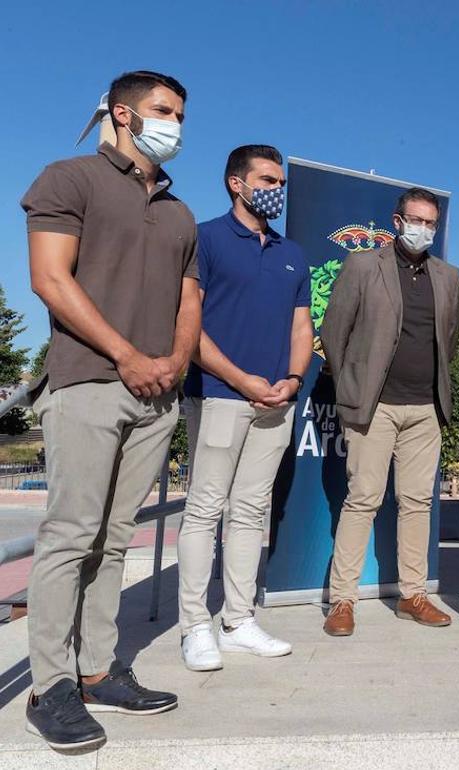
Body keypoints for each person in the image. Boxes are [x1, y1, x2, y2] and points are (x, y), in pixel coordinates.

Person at [22, 70, 198, 748]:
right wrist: (126, 353)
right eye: (162, 110)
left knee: (115, 539)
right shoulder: (69, 179)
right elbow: (49, 278)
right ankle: (51, 685)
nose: (175, 123)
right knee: (70, 535)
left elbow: (191, 299)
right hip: (89, 381)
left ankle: (98, 669)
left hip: (158, 393)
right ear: (123, 114)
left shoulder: (180, 213)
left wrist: (173, 362)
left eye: (181, 113)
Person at [177, 145, 312, 670]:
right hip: (218, 395)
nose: (276, 187)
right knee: (205, 510)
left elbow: (303, 327)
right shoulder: (205, 239)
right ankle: (194, 626)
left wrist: (293, 379)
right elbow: (189, 327)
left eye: (280, 179)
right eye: (267, 178)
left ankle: (238, 620)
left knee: (251, 513)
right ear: (237, 183)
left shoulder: (291, 252)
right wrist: (240, 380)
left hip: (276, 403)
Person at [320, 187, 459, 636]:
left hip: (425, 408)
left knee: (418, 503)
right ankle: (342, 601)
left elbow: (451, 337)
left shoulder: (448, 275)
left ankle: (414, 595)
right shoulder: (364, 265)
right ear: (397, 222)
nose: (423, 229)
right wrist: (352, 387)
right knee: (362, 500)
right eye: (415, 220)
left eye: (430, 223)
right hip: (375, 406)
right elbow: (334, 330)